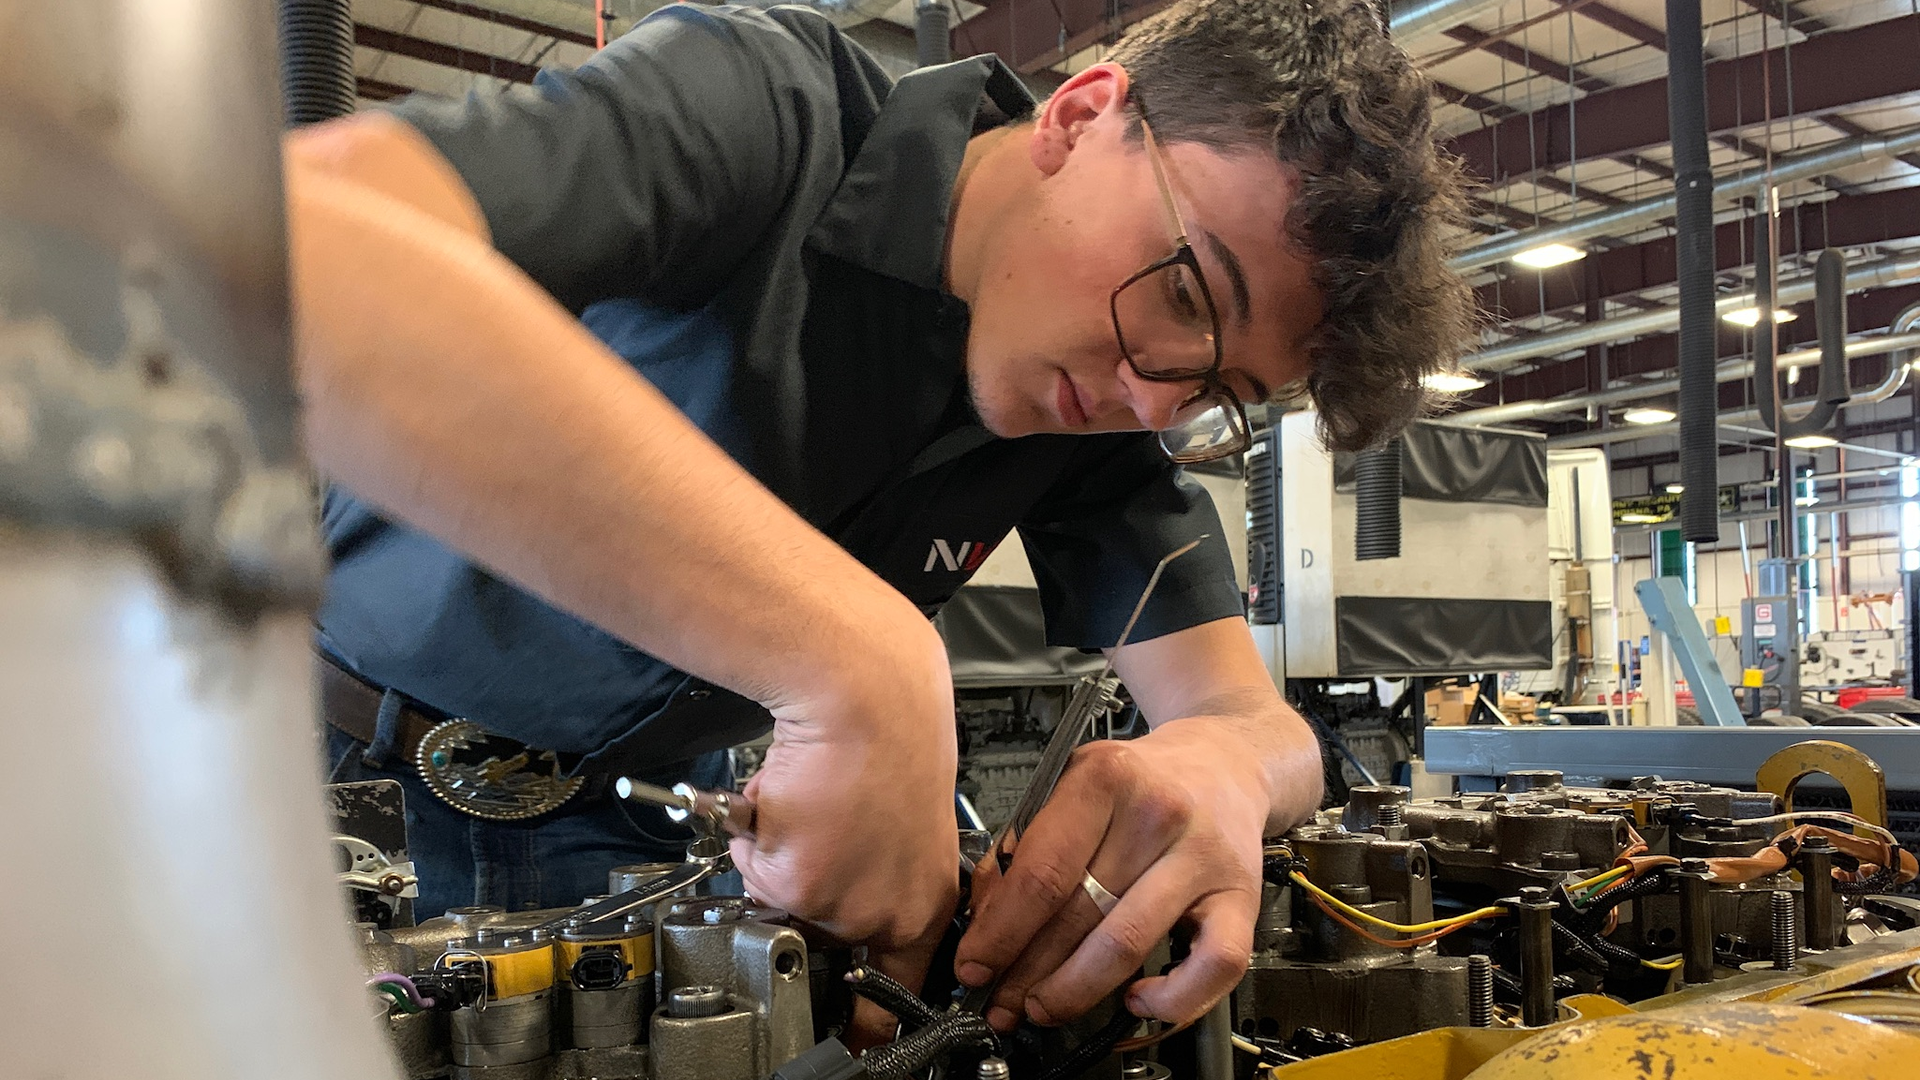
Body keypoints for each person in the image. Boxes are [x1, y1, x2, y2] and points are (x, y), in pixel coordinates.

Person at [287, 0, 1473, 1039]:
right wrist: (857, 655)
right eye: (1184, 293)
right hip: (307, 790)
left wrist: (1223, 770)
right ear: (1080, 116)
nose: (1156, 393)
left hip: (631, 838)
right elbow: (293, 246)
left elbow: (1256, 722)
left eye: (1218, 393)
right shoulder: (767, 110)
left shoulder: (1093, 423)